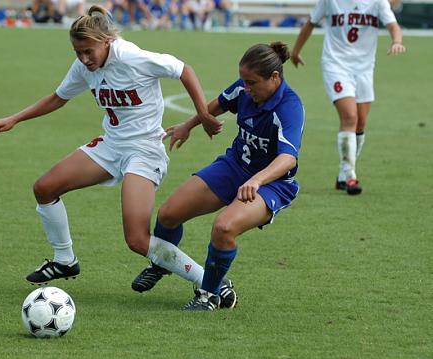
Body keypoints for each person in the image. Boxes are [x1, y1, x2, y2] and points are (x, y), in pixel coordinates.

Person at [0, 5, 230, 297]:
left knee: (138, 240)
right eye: (78, 52)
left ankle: (212, 283)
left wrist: (202, 114)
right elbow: (58, 98)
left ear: (106, 42)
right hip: (111, 145)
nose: (84, 59)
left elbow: (183, 70)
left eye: (89, 51)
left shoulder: (130, 56)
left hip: (144, 151)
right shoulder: (84, 66)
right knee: (45, 188)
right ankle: (65, 260)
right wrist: (14, 118)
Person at [131, 42, 305, 311]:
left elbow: (288, 158)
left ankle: (209, 294)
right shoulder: (245, 88)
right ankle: (161, 265)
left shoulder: (290, 107)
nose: (246, 89)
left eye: (252, 83)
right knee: (168, 214)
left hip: (272, 183)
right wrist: (189, 125)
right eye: (244, 81)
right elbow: (220, 104)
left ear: (275, 78)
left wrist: (258, 180)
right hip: (234, 166)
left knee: (224, 228)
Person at [290, 0, 405, 195]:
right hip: (335, 65)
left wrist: (397, 41)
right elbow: (311, 22)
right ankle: (350, 176)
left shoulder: (377, 2)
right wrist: (296, 51)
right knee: (350, 117)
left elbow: (393, 25)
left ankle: (343, 175)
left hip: (364, 68)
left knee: (360, 123)